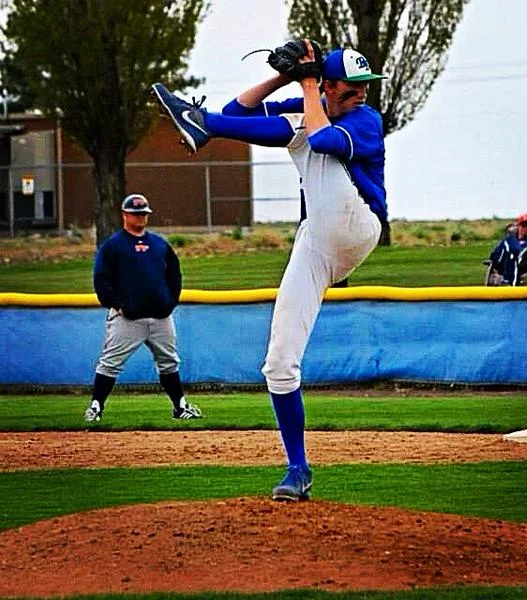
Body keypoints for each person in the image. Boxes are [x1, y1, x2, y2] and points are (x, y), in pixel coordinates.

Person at [152, 41, 387, 500]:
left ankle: (199, 124)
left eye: (365, 86)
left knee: (305, 131)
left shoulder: (366, 119)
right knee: (279, 363)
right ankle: (298, 469)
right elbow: (235, 114)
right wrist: (284, 78)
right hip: (317, 240)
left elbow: (323, 140)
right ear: (331, 84)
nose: (361, 93)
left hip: (357, 223)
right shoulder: (309, 100)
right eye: (352, 86)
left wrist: (308, 83)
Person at [84, 193, 202, 422]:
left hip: (160, 317)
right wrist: (117, 304)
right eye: (135, 213)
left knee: (169, 362)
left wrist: (170, 301)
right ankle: (96, 407)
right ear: (125, 215)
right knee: (110, 363)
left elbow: (174, 274)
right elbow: (101, 279)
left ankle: (180, 407)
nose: (140, 217)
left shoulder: (159, 244)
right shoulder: (113, 246)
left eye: (143, 213)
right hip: (127, 319)